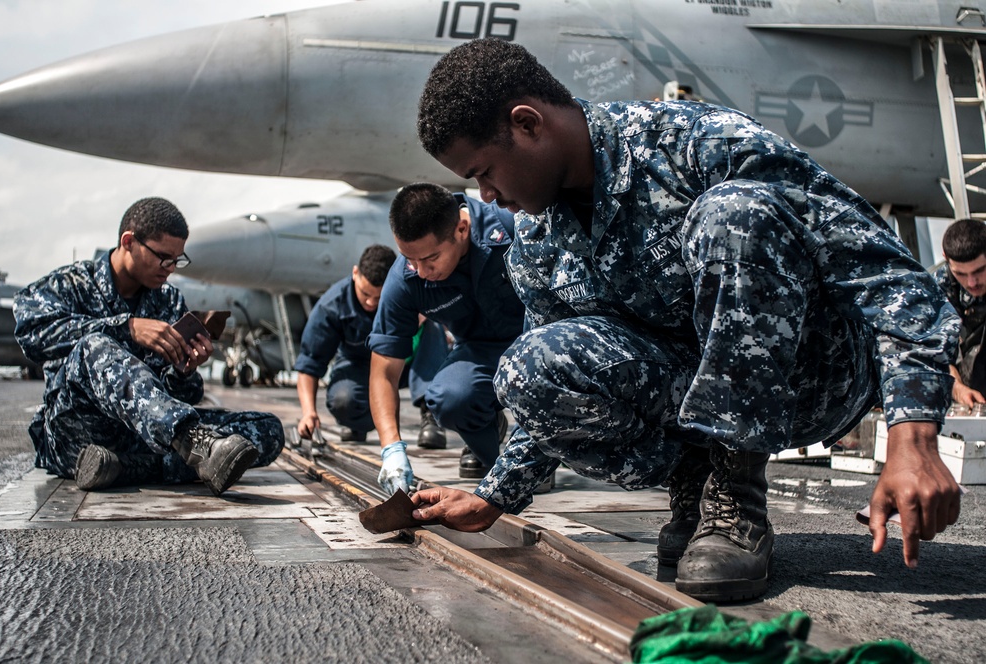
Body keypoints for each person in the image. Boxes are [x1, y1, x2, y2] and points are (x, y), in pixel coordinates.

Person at [408, 38, 963, 602]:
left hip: (816, 377)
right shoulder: (534, 241)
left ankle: (734, 494)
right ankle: (697, 488)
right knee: (530, 365)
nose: (487, 197)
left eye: (485, 173)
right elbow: (543, 385)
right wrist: (494, 495)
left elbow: (884, 272)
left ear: (527, 124)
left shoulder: (692, 141)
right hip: (695, 393)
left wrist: (911, 434)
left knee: (735, 213)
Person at [13, 197, 284, 495]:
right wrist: (127, 328)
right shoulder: (71, 284)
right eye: (163, 257)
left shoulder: (168, 301)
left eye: (178, 260)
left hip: (144, 436)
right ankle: (192, 447)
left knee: (266, 429)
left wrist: (185, 370)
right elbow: (30, 334)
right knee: (96, 344)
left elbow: (180, 396)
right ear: (129, 242)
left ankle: (124, 468)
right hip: (78, 431)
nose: (170, 268)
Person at [369, 183, 526, 494]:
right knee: (449, 398)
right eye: (410, 259)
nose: (421, 271)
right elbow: (384, 370)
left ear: (462, 229)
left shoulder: (512, 226)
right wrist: (391, 448)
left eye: (431, 259)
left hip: (538, 340)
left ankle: (539, 447)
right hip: (481, 349)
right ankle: (498, 451)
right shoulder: (405, 280)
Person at [294, 244, 448, 445]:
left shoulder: (411, 288)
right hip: (360, 367)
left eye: (379, 297)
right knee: (343, 401)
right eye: (365, 294)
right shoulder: (331, 306)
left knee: (433, 322)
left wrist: (421, 315)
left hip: (404, 362)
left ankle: (432, 415)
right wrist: (309, 412)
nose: (371, 303)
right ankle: (360, 422)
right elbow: (309, 362)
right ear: (355, 273)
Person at [933, 218, 986, 407]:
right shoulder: (941, 286)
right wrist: (957, 389)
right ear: (945, 258)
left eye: (980, 271)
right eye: (961, 274)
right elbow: (936, 349)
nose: (972, 283)